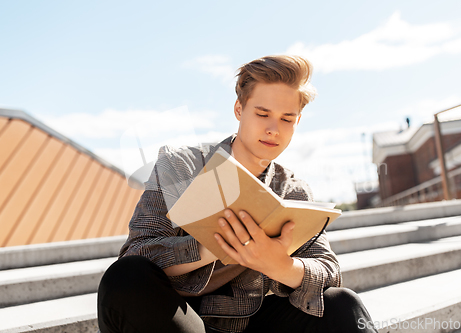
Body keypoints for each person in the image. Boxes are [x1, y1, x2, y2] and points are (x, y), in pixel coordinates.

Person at [97, 55, 378, 333]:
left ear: (298, 121)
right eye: (263, 113)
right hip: (179, 319)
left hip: (250, 322)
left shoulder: (294, 190)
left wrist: (280, 265)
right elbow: (138, 255)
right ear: (239, 109)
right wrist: (216, 246)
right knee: (126, 278)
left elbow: (329, 272)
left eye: (286, 119)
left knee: (342, 304)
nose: (273, 129)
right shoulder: (180, 166)